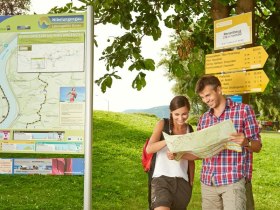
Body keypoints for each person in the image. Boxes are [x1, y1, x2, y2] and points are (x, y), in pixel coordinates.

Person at [192, 75, 262, 210]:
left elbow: (258, 146)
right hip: (208, 181)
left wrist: (246, 142)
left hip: (233, 180)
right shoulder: (204, 119)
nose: (206, 100)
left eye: (208, 95)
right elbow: (201, 150)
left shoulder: (244, 110)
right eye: (202, 97)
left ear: (218, 90)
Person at [146, 96, 195, 210]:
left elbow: (191, 160)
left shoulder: (189, 130)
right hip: (161, 179)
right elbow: (149, 149)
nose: (181, 118)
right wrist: (169, 140)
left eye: (184, 114)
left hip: (182, 181)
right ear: (171, 112)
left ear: (188, 111)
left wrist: (191, 182)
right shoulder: (163, 124)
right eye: (176, 114)